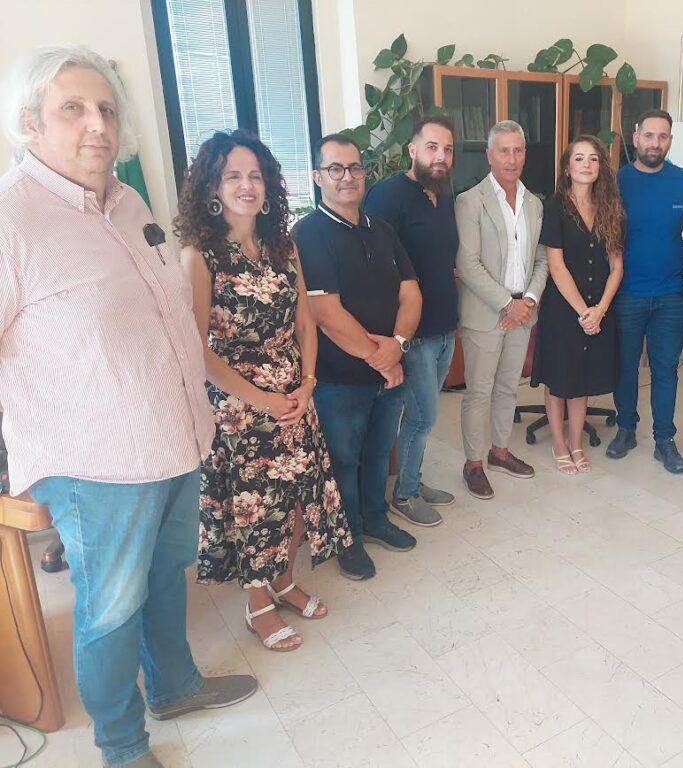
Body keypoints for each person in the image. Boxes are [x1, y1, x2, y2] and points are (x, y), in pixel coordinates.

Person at [0, 45, 255, 768]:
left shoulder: (128, 200)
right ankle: (120, 744)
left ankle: (174, 686)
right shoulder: (11, 218)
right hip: (96, 465)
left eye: (107, 109)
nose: (97, 125)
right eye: (72, 109)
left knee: (165, 577)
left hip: (176, 438)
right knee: (109, 610)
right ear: (29, 123)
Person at [176, 130, 351, 651]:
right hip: (240, 408)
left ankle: (284, 580)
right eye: (233, 176)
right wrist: (263, 399)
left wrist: (308, 384)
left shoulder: (283, 245)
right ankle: (257, 603)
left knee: (296, 498)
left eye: (254, 175)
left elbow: (305, 323)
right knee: (256, 508)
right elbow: (197, 349)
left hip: (294, 395)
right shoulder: (200, 256)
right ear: (212, 186)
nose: (246, 185)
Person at [293, 134, 422, 580]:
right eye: (335, 168)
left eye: (354, 168)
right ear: (318, 177)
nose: (347, 176)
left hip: (388, 373)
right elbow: (325, 313)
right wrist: (382, 357)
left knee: (377, 453)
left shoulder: (380, 229)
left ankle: (375, 520)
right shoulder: (308, 233)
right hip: (339, 379)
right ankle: (346, 538)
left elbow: (411, 293)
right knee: (343, 461)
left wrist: (398, 345)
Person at [363, 115, 459, 526]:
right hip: (414, 333)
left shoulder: (443, 194)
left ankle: (413, 481)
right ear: (413, 149)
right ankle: (404, 494)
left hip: (445, 326)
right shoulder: (388, 196)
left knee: (423, 416)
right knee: (423, 417)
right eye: (432, 147)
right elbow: (375, 265)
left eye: (447, 149)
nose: (441, 156)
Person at [456, 120, 548, 500]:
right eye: (504, 151)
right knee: (479, 390)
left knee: (508, 387)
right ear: (489, 155)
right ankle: (473, 463)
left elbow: (541, 259)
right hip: (485, 311)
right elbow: (468, 263)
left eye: (518, 151)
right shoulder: (470, 201)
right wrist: (507, 303)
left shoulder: (534, 204)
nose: (511, 159)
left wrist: (528, 301)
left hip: (522, 312)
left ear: (525, 154)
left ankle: (499, 451)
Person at [606, 109, 683, 474]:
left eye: (662, 137)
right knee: (625, 367)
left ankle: (664, 440)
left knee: (665, 370)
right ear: (636, 137)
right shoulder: (617, 181)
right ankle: (626, 428)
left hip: (671, 294)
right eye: (649, 135)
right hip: (627, 293)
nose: (655, 143)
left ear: (670, 140)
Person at [531, 135, 624, 474]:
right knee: (559, 378)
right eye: (579, 158)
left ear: (601, 167)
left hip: (599, 308)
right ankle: (559, 443)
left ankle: (576, 443)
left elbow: (617, 267)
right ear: (567, 168)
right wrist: (584, 312)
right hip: (563, 308)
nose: (587, 164)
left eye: (593, 159)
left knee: (582, 378)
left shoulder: (610, 207)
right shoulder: (554, 206)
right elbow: (556, 266)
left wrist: (599, 310)